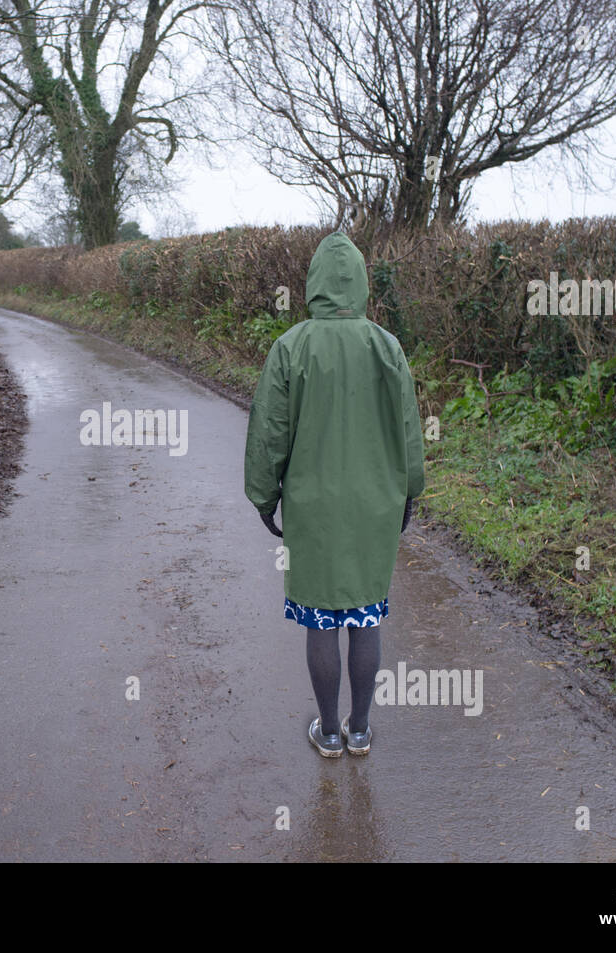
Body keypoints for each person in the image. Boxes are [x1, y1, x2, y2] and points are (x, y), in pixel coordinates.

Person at [244, 231, 425, 758]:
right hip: (375, 506)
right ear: (363, 283)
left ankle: (327, 731)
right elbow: (409, 427)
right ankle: (361, 729)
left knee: (320, 614)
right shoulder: (386, 346)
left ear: (314, 284)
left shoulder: (291, 347)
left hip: (313, 507)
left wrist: (263, 496)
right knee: (365, 614)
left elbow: (269, 430)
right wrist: (410, 488)